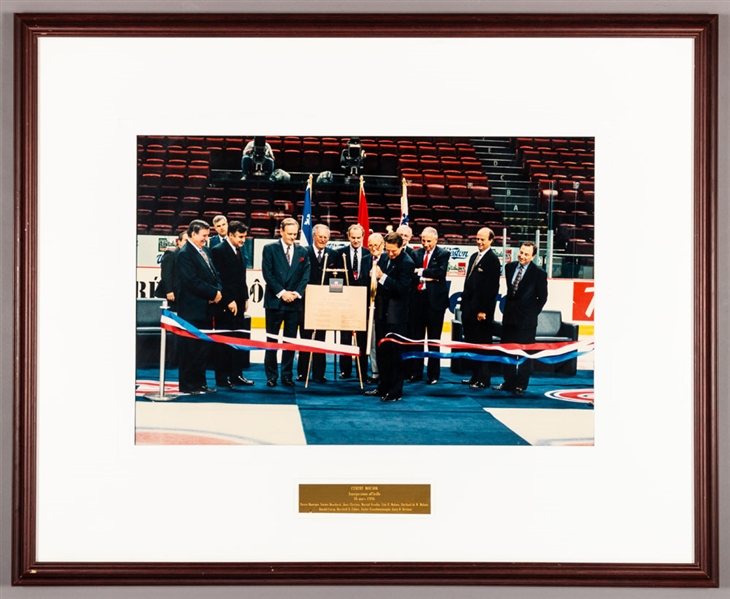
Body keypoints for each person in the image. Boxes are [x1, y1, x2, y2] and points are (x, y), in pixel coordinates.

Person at [364, 231, 415, 402]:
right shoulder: (384, 258)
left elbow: (402, 289)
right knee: (382, 354)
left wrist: (382, 277)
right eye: (388, 249)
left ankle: (395, 391)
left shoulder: (407, 263)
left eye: (394, 250)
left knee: (395, 355)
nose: (390, 253)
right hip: (381, 313)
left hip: (396, 316)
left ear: (401, 246)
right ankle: (382, 387)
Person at [494, 241, 548, 395]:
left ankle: (521, 384)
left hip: (527, 322)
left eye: (526, 254)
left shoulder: (539, 273)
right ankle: (509, 382)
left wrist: (530, 314)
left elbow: (542, 298)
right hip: (509, 318)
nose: (522, 256)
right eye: (521, 252)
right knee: (507, 352)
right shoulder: (509, 267)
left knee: (524, 354)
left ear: (533, 256)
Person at [261, 218, 310, 387]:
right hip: (275, 302)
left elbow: (305, 276)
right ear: (281, 232)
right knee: (271, 340)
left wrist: (295, 294)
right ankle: (271, 376)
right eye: (289, 234)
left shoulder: (303, 251)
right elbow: (267, 274)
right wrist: (282, 293)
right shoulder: (269, 249)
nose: (291, 237)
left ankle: (287, 375)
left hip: (294, 304)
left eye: (294, 234)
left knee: (290, 341)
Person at [175, 220, 222, 395]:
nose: (206, 239)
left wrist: (217, 291)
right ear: (193, 234)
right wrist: (213, 293)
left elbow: (214, 274)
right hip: (192, 310)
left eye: (207, 235)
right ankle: (188, 385)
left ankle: (200, 383)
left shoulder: (205, 251)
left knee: (202, 349)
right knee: (190, 348)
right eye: (203, 236)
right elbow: (191, 281)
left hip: (205, 310)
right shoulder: (185, 254)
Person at [210, 220, 255, 389]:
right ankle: (222, 378)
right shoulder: (218, 250)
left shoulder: (240, 250)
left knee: (238, 341)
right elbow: (219, 279)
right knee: (223, 342)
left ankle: (236, 375)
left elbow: (241, 278)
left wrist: (245, 298)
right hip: (225, 304)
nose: (243, 240)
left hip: (238, 303)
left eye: (244, 237)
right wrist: (228, 300)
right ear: (230, 235)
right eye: (240, 237)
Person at [406, 227, 451, 385]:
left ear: (436, 240)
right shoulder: (415, 254)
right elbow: (411, 273)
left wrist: (422, 272)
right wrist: (427, 275)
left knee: (433, 341)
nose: (425, 244)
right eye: (423, 241)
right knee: (416, 340)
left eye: (428, 241)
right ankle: (415, 372)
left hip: (435, 304)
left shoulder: (443, 254)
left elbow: (440, 273)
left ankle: (433, 374)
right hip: (417, 301)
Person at [296, 224, 338, 383]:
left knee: (320, 338)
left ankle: (319, 374)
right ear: (313, 236)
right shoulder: (303, 252)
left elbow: (337, 280)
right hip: (305, 304)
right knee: (305, 338)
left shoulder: (334, 254)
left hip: (324, 304)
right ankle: (302, 372)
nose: (323, 240)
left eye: (326, 237)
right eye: (320, 236)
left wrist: (333, 297)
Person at [460, 227, 501, 389]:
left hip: (481, 312)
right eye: (477, 238)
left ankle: (484, 379)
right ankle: (475, 376)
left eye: (483, 239)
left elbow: (492, 289)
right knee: (472, 344)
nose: (479, 242)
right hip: (469, 310)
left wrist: (484, 310)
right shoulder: (473, 257)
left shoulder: (492, 260)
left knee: (482, 345)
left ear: (491, 240)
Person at [337, 223, 371, 380]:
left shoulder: (368, 253)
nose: (356, 241)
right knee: (345, 338)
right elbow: (334, 277)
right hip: (344, 302)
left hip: (362, 303)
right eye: (353, 237)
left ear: (363, 237)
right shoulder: (339, 253)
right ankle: (345, 370)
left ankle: (361, 371)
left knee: (362, 339)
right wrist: (336, 295)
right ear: (348, 236)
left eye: (359, 238)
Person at [365, 233, 385, 385]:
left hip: (385, 308)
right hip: (368, 307)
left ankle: (386, 371)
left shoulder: (387, 260)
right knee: (371, 342)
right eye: (370, 245)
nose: (373, 249)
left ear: (382, 245)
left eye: (376, 246)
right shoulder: (365, 260)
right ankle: (375, 372)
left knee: (383, 343)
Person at [154, 231, 187, 311]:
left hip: (182, 295)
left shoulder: (190, 256)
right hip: (170, 294)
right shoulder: (171, 254)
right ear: (179, 242)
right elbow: (166, 274)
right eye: (186, 240)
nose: (188, 243)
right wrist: (169, 291)